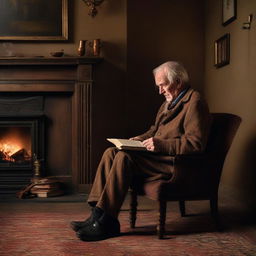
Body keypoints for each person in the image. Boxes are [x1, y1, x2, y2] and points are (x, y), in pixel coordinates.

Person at [70, 61, 211, 241]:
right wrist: (138, 139)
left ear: (178, 81)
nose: (160, 91)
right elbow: (154, 130)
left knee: (124, 158)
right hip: (158, 159)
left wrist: (161, 145)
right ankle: (96, 216)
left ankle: (107, 222)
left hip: (174, 164)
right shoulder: (168, 103)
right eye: (158, 86)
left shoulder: (195, 101)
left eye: (163, 85)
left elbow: (196, 144)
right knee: (111, 152)